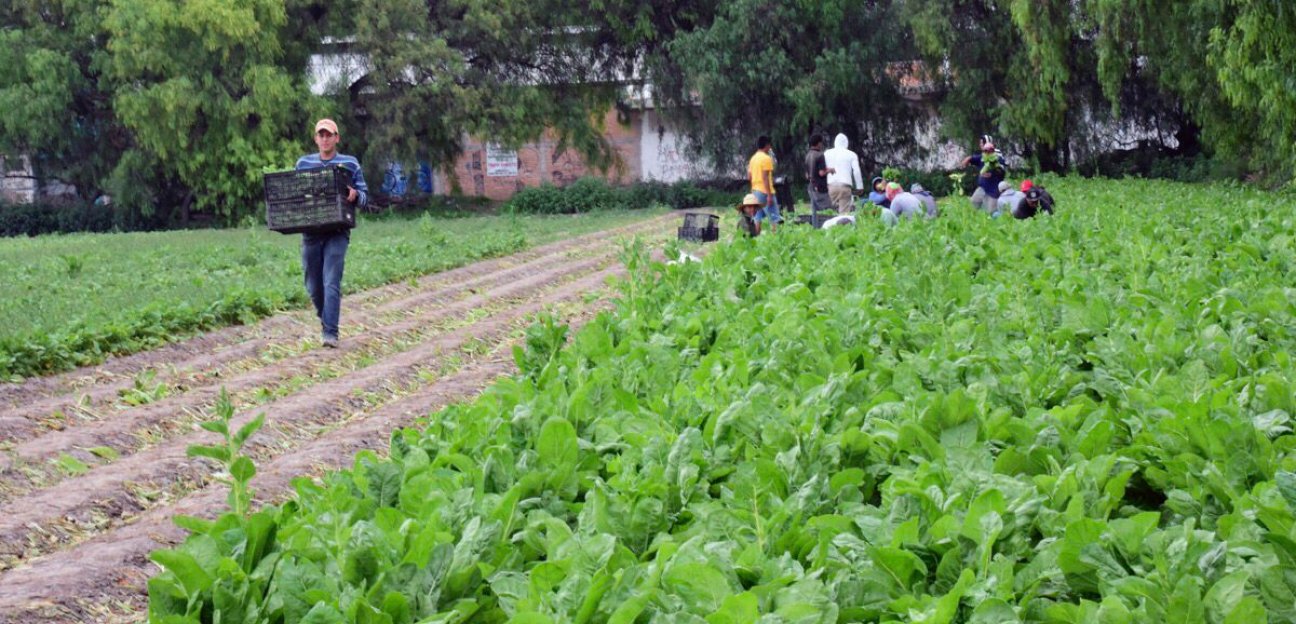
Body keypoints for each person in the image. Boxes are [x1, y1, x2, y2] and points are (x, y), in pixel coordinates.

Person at [295, 118, 368, 348]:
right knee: (314, 286)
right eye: (321, 135)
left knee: (331, 281)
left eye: (330, 135)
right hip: (311, 233)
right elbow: (296, 195)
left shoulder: (350, 164)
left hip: (338, 231)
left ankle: (330, 333)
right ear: (316, 139)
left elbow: (366, 197)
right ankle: (325, 317)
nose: (325, 139)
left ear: (337, 138)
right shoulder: (303, 164)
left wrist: (356, 195)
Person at [960, 142, 1007, 215]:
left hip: (993, 191)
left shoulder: (998, 159)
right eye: (985, 150)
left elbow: (1002, 171)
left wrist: (994, 170)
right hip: (982, 188)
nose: (987, 152)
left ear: (993, 150)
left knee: (991, 212)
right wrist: (966, 160)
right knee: (973, 203)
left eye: (990, 150)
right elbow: (972, 158)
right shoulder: (982, 157)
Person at [824, 133, 864, 214]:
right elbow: (856, 171)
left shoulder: (826, 153)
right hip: (845, 186)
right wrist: (860, 187)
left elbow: (822, 169)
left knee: (828, 213)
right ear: (846, 143)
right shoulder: (852, 154)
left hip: (830, 186)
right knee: (844, 214)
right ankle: (843, 225)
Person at [748, 136, 781, 232]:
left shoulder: (753, 159)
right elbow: (765, 177)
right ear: (766, 145)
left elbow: (749, 177)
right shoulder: (766, 159)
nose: (770, 148)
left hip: (755, 191)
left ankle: (755, 242)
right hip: (764, 192)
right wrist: (769, 195)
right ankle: (777, 241)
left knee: (757, 219)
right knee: (775, 218)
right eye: (769, 145)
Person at [804, 134, 834, 217]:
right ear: (819, 143)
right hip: (820, 188)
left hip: (811, 187)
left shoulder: (808, 155)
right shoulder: (820, 155)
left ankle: (816, 227)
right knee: (828, 211)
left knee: (815, 212)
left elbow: (807, 175)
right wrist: (830, 170)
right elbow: (821, 173)